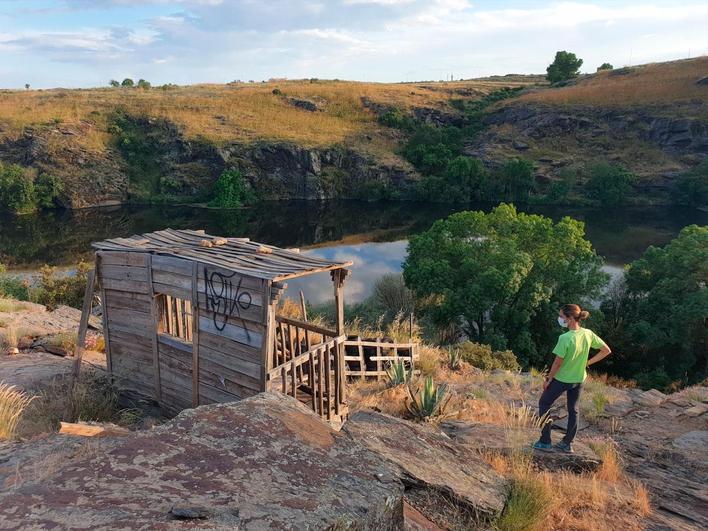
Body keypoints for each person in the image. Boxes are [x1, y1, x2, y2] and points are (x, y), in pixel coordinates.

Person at [533, 304, 611, 453]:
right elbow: (606, 350)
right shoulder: (587, 333)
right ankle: (567, 444)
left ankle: (545, 441)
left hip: (563, 379)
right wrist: (588, 363)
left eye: (562, 316)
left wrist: (548, 379)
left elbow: (557, 362)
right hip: (579, 379)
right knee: (573, 409)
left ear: (569, 319)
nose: (560, 319)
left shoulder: (565, 338)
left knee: (544, 403)